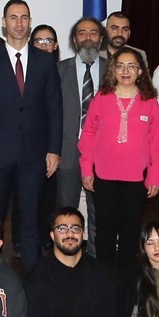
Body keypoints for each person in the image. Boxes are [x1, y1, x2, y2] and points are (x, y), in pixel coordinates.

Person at [0, 0, 62, 264]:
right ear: (4, 23)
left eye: (24, 18)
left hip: (34, 157)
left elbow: (55, 109)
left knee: (31, 221)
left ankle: (32, 278)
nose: (19, 23)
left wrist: (53, 150)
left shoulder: (45, 62)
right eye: (13, 17)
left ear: (30, 22)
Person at [78, 48, 159, 267]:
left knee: (130, 232)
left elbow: (157, 141)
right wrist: (86, 169)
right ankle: (104, 278)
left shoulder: (149, 101)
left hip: (136, 180)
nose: (126, 71)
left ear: (140, 71)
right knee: (104, 231)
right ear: (113, 70)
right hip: (103, 177)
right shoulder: (101, 98)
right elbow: (88, 135)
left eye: (131, 66)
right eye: (120, 66)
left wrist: (155, 175)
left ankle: (126, 280)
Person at [58, 19, 109, 222]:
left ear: (101, 38)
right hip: (66, 152)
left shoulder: (114, 71)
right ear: (74, 39)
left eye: (93, 33)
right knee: (66, 212)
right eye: (82, 33)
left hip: (103, 152)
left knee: (101, 213)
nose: (88, 38)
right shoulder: (58, 70)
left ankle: (96, 245)